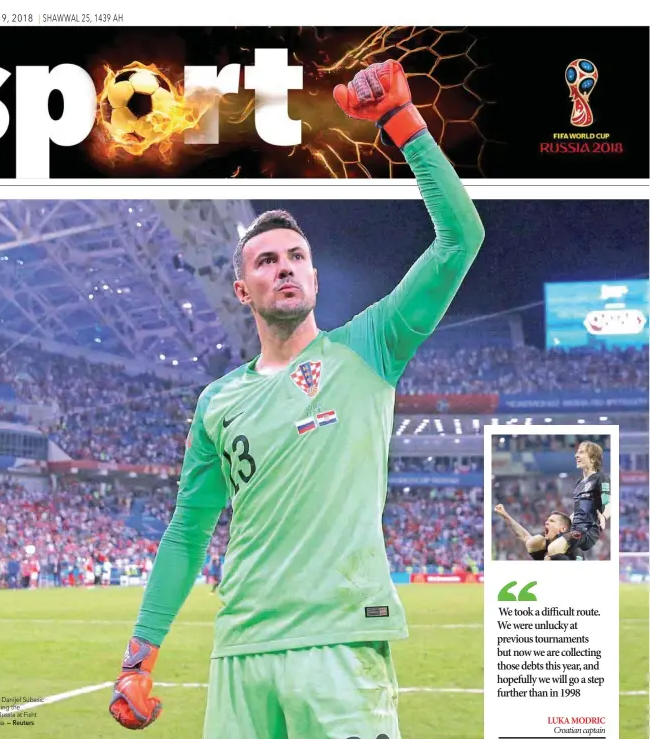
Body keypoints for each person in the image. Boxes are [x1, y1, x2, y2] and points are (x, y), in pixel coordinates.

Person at [109, 58, 485, 738]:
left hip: (340, 647)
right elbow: (188, 531)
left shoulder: (368, 345)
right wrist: (139, 654)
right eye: (265, 260)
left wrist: (403, 123)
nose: (282, 266)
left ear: (311, 275)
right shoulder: (217, 403)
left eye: (295, 257)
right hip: (240, 655)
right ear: (241, 291)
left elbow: (460, 239)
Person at [546, 440, 610, 558]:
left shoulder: (601, 478)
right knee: (546, 550)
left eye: (581, 452)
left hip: (588, 531)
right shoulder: (579, 483)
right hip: (575, 530)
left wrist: (604, 517)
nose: (576, 455)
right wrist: (562, 524)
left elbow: (609, 503)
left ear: (593, 459)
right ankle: (578, 557)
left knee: (553, 548)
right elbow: (578, 511)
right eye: (577, 452)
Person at [494, 504, 584, 561]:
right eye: (547, 520)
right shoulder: (542, 544)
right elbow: (524, 535)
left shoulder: (575, 551)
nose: (546, 522)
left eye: (552, 521)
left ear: (563, 529)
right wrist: (505, 515)